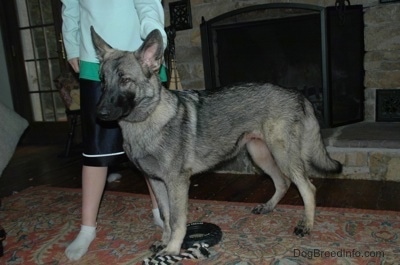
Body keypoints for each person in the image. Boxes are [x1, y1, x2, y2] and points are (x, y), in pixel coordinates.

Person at [61, 0, 168, 261]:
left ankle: (160, 212)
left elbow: (148, 4)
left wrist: (155, 39)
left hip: (140, 55)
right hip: (95, 56)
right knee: (96, 149)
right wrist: (72, 46)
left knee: (151, 146)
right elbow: (70, 7)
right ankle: (87, 229)